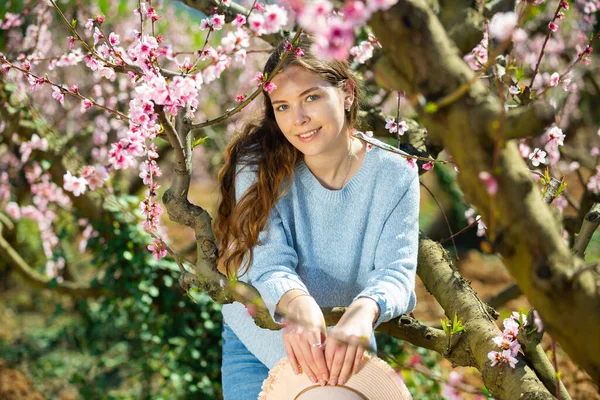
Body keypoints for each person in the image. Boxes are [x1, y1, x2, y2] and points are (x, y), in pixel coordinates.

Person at [214, 34, 420, 400]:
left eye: (311, 97)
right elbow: (265, 259)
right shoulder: (257, 165)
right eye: (282, 106)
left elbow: (396, 270)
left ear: (347, 93)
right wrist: (296, 301)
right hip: (259, 338)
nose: (299, 120)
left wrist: (364, 311)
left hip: (340, 347)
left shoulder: (395, 173)